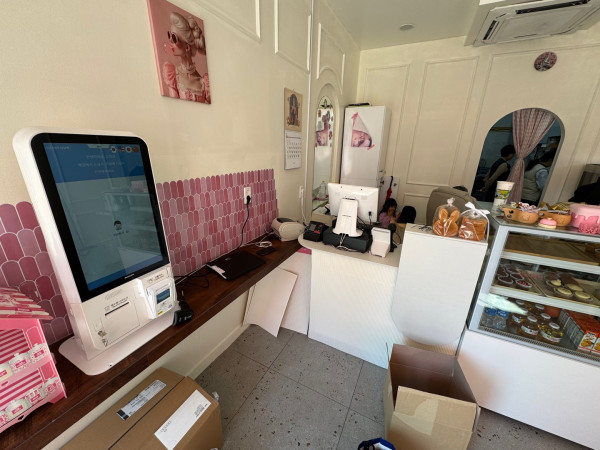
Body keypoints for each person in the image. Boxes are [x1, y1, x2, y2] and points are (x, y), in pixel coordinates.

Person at [162, 12, 210, 103]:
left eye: (174, 38)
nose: (170, 41)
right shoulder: (173, 75)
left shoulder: (204, 82)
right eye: (169, 35)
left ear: (187, 47)